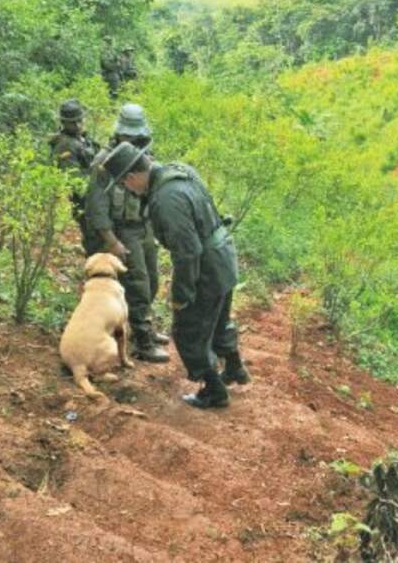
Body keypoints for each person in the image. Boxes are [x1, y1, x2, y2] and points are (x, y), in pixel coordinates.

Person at [100, 142, 251, 409]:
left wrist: (181, 295)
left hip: (207, 267)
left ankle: (214, 391)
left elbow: (188, 253)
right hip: (223, 256)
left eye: (125, 184)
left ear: (132, 177)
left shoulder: (166, 199)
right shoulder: (178, 171)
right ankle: (235, 369)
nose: (127, 189)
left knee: (188, 329)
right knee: (219, 320)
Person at [84, 103, 168, 363]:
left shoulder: (144, 155)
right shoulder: (105, 162)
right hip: (121, 230)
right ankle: (141, 340)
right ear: (118, 133)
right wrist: (111, 241)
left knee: (152, 280)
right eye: (127, 135)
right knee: (137, 283)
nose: (131, 140)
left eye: (136, 136)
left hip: (143, 225)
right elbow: (96, 206)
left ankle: (144, 327)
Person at [49, 98, 101, 254]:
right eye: (73, 123)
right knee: (95, 241)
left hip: (99, 196)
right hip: (85, 201)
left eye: (80, 121)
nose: (78, 125)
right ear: (64, 123)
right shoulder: (64, 145)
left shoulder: (83, 139)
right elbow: (76, 182)